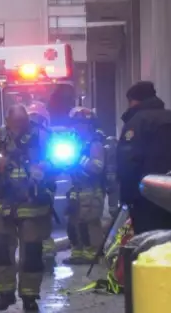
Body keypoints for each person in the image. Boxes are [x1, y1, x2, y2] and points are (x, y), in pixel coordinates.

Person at [0, 105, 54, 312]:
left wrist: (46, 167)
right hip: (2, 205)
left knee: (32, 253)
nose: (18, 128)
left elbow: (62, 161)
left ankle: (29, 296)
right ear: (7, 122)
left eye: (22, 124)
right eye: (15, 124)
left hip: (32, 206)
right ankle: (5, 293)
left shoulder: (43, 137)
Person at [117, 81, 171, 234]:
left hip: (147, 199)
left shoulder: (136, 123)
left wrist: (127, 198)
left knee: (150, 243)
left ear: (133, 100)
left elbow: (128, 163)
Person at [61, 107, 106, 265]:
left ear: (88, 125)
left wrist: (79, 159)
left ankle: (92, 254)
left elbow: (97, 167)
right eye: (75, 124)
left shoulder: (95, 143)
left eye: (80, 123)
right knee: (74, 222)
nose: (76, 127)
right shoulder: (77, 142)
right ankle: (77, 252)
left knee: (90, 222)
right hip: (77, 188)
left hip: (92, 190)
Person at [26, 102, 57, 269]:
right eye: (32, 118)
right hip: (29, 187)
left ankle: (46, 256)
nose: (34, 121)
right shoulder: (19, 136)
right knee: (33, 224)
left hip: (45, 185)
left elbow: (57, 161)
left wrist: (46, 166)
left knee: (43, 223)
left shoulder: (49, 136)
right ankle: (41, 256)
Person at [104, 136, 120, 217]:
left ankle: (114, 214)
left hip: (112, 178)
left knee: (113, 198)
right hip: (113, 178)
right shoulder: (117, 150)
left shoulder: (107, 150)